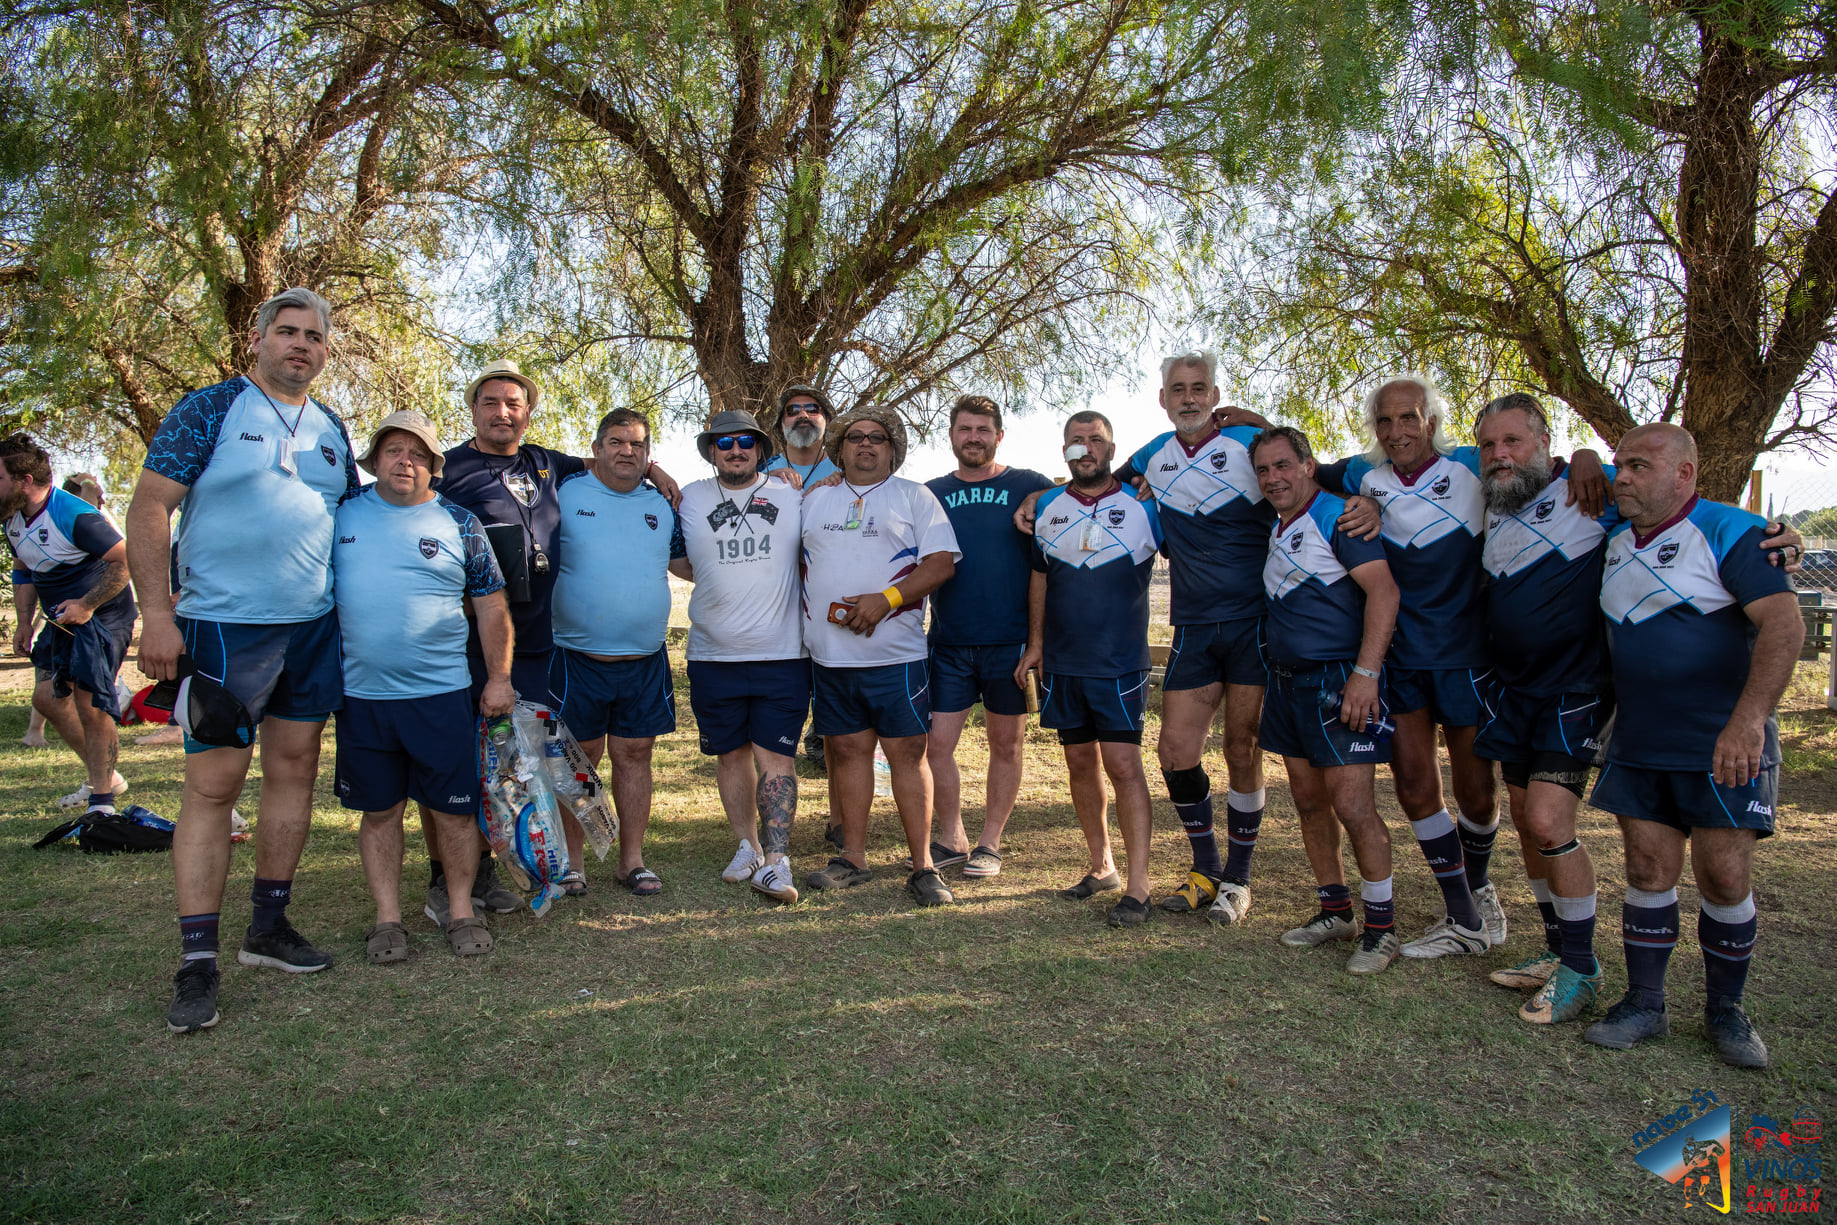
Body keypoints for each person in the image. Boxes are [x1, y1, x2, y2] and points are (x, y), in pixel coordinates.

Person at [127, 286, 359, 1034]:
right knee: (213, 787)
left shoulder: (333, 428)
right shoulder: (211, 408)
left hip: (312, 628)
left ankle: (269, 927)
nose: (300, 345)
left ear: (326, 350)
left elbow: (347, 521)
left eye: (313, 336)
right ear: (258, 340)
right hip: (224, 628)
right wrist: (156, 615)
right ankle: (197, 961)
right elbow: (149, 506)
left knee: (294, 771)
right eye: (286, 332)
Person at [1313, 375, 1608, 956]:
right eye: (1385, 420)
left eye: (1409, 417)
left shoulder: (1476, 462)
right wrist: (1242, 420)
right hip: (1402, 659)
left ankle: (1479, 886)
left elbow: (1539, 460)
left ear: (1431, 421)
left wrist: (1586, 453)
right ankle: (1464, 912)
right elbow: (1303, 470)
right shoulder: (1362, 476)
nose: (1397, 430)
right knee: (1415, 787)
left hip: (1470, 658)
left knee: (1477, 793)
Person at [1583, 423, 1802, 1069]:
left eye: (1639, 466)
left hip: (1723, 743)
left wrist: (1749, 721)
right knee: (1647, 871)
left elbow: (1784, 626)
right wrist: (1586, 456)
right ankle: (1644, 1003)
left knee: (1724, 876)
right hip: (1640, 738)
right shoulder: (1612, 533)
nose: (1623, 477)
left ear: (1684, 474)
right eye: (1620, 464)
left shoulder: (1735, 531)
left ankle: (1726, 1011)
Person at [330, 411, 515, 961]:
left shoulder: (460, 523)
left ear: (434, 466)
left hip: (441, 694)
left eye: (417, 453)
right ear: (374, 460)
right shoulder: (341, 513)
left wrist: (499, 679)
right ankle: (387, 920)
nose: (404, 461)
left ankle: (460, 911)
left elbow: (492, 607)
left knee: (454, 812)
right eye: (393, 450)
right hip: (363, 697)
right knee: (380, 812)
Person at [1469, 394, 1616, 1023]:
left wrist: (1775, 539)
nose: (1499, 454)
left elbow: (1679, 509)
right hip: (1514, 691)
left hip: (1574, 689)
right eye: (1488, 445)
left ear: (1545, 442)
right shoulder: (1494, 496)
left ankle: (1582, 968)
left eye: (1513, 441)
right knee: (1530, 826)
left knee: (1551, 824)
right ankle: (1558, 950)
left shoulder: (1592, 492)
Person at [423, 358, 582, 923]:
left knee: (511, 765)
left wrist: (658, 473)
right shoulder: (447, 469)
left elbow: (608, 461)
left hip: (533, 645)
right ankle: (443, 879)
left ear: (528, 413)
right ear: (473, 410)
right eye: (490, 402)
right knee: (455, 765)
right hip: (464, 646)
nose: (502, 412)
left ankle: (491, 869)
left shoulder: (546, 463)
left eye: (514, 403)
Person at [1250, 426, 1405, 973]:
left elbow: (1384, 591)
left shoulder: (1337, 516)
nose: (1273, 478)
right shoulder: (1279, 525)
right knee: (1309, 801)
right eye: (1263, 470)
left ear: (1308, 466)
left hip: (1338, 680)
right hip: (1287, 682)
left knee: (1353, 806)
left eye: (1282, 465)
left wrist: (1365, 674)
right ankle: (1335, 911)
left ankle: (1382, 929)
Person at [800, 407, 960, 906]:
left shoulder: (914, 496)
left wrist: (886, 600)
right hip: (831, 658)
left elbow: (941, 564)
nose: (866, 444)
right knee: (847, 753)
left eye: (877, 437)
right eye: (855, 437)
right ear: (840, 448)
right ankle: (853, 858)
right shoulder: (813, 499)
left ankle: (924, 867)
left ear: (892, 449)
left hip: (896, 658)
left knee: (907, 756)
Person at [1016, 411, 1162, 926]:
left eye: (1095, 440)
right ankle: (1102, 867)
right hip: (1063, 661)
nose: (1086, 448)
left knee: (1123, 765)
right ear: (1065, 451)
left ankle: (1140, 886)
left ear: (1110, 449)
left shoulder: (1144, 505)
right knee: (1079, 762)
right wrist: (1037, 645)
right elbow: (1039, 577)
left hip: (1119, 662)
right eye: (1076, 440)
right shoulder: (1047, 506)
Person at [670, 409, 808, 903]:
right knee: (730, 755)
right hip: (713, 655)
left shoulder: (791, 495)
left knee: (776, 756)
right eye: (724, 442)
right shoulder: (689, 498)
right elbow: (679, 558)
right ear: (711, 451)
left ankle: (776, 862)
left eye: (745, 442)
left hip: (782, 655)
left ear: (760, 449)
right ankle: (747, 846)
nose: (735, 450)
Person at [548, 408, 685, 897]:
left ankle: (632, 861)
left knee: (635, 756)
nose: (627, 451)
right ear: (597, 448)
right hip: (575, 658)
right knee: (578, 758)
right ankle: (573, 864)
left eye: (638, 445)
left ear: (649, 453)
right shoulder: (564, 491)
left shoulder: (663, 505)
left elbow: (685, 562)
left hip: (644, 660)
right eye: (616, 442)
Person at [922, 395, 1054, 877]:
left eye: (983, 429)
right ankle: (952, 836)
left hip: (1011, 642)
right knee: (935, 746)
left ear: (999, 436)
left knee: (1007, 744)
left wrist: (1041, 497)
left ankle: (990, 842)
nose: (973, 437)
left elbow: (1082, 491)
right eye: (965, 429)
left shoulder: (1029, 484)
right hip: (949, 642)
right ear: (951, 436)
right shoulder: (931, 492)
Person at [3, 435, 135, 813]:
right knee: (47, 698)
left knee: (90, 705)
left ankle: (101, 801)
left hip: (103, 615)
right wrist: (24, 622)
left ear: (25, 480)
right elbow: (24, 567)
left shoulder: (74, 515)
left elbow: (126, 560)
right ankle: (106, 777)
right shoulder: (11, 517)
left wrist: (88, 604)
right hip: (61, 620)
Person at [762, 383, 840, 777]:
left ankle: (825, 742)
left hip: (830, 596)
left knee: (834, 683)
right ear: (781, 423)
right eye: (793, 410)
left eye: (813, 408)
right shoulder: (761, 471)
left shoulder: (845, 470)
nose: (803, 415)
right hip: (775, 599)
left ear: (826, 420)